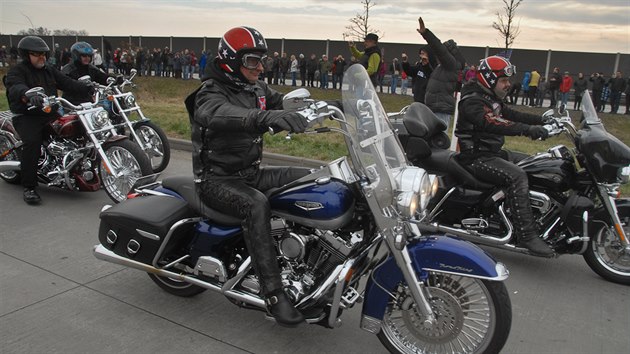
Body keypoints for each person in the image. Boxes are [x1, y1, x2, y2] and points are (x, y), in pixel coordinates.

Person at [184, 26, 310, 326]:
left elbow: (284, 102)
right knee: (256, 205)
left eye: (261, 61)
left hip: (250, 173)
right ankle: (274, 294)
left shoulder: (256, 89)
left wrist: (334, 106)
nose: (260, 67)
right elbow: (219, 114)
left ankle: (302, 258)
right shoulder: (209, 93)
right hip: (216, 180)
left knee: (310, 178)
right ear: (231, 60)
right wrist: (265, 118)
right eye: (253, 61)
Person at [455, 55, 554, 257]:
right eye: (503, 80)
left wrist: (542, 120)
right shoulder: (472, 101)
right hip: (475, 157)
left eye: (508, 80)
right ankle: (527, 235)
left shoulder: (490, 98)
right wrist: (527, 130)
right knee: (517, 176)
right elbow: (492, 122)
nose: (508, 85)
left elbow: (511, 114)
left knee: (535, 162)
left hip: (491, 153)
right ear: (490, 80)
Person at [4, 36, 93, 205]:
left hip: (50, 113)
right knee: (32, 142)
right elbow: (15, 86)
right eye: (37, 54)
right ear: (26, 55)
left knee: (78, 128)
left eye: (43, 54)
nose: (41, 58)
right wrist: (28, 95)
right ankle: (29, 187)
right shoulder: (18, 71)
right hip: (28, 116)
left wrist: (88, 86)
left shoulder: (49, 70)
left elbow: (67, 83)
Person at [417, 16, 466, 132]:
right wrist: (425, 66)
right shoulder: (444, 67)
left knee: (438, 140)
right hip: (436, 107)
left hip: (440, 108)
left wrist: (426, 34)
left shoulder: (451, 64)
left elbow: (439, 49)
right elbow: (434, 78)